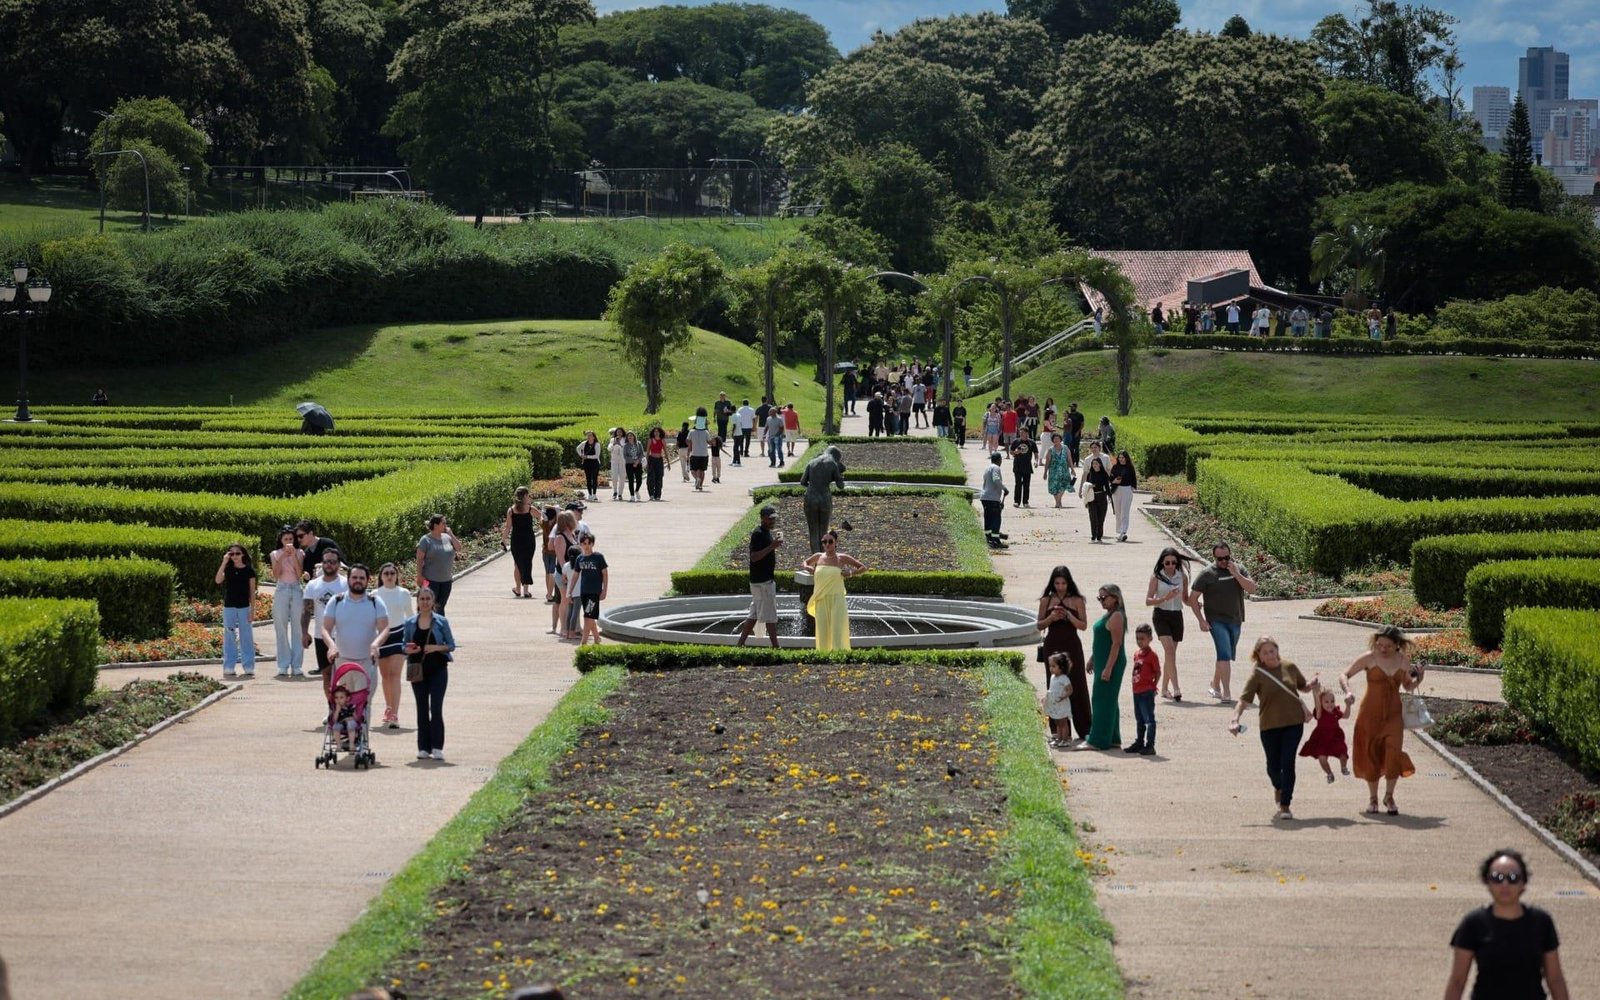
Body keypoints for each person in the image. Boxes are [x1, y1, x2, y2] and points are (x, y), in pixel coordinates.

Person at [1445, 849, 1570, 1000]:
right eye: (1497, 878)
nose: (1505, 884)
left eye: (1513, 878)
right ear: (1487, 882)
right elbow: (1457, 982)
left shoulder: (1541, 922)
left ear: (1523, 883)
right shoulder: (1473, 924)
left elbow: (1555, 980)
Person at [1228, 636, 1315, 820]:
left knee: (1288, 762)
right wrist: (1234, 719)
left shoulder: (1289, 667)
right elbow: (1244, 700)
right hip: (1269, 725)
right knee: (1273, 767)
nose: (1270, 655)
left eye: (1272, 650)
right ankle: (1278, 786)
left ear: (1277, 650)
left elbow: (1303, 687)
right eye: (1265, 652)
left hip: (1293, 723)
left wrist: (1312, 685)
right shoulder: (1258, 674)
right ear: (1259, 655)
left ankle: (1285, 804)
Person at [1343, 624, 1422, 815]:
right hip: (1369, 713)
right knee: (1371, 753)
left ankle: (1389, 796)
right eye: (1380, 645)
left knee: (1393, 753)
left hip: (1393, 714)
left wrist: (1419, 679)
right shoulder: (1369, 658)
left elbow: (1408, 687)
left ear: (1397, 645)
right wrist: (1347, 691)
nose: (1383, 649)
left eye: (1387, 646)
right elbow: (1344, 674)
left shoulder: (1404, 661)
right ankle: (1373, 799)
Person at [1191, 542, 1257, 702]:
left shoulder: (1238, 569)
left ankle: (1214, 684)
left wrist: (1236, 574)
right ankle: (1226, 693)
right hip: (1216, 620)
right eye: (1220, 559)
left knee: (1225, 654)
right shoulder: (1207, 574)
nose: (1223, 561)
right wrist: (1201, 620)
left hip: (1235, 619)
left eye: (1226, 558)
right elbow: (1193, 598)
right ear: (1214, 557)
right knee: (1224, 655)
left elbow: (1252, 589)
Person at [322, 563, 388, 711]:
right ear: (348, 580)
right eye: (354, 577)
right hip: (342, 662)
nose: (358, 580)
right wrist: (331, 646)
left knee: (363, 704)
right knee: (341, 703)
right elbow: (325, 628)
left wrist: (376, 644)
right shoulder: (336, 601)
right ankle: (342, 733)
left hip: (366, 662)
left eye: (361, 578)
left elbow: (385, 629)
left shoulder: (375, 602)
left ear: (367, 580)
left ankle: (362, 734)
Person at [1037, 566, 1090, 745]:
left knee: (1078, 684)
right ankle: (1058, 731)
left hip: (1072, 645)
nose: (1060, 587)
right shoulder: (1046, 600)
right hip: (1052, 645)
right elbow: (1039, 625)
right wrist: (1051, 618)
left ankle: (1084, 728)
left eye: (1063, 583)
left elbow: (1083, 625)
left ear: (1069, 583)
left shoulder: (1077, 600)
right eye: (1057, 583)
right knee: (1054, 686)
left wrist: (1068, 616)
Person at [403, 586, 455, 761]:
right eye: (422, 599)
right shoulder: (410, 623)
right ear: (417, 602)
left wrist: (435, 647)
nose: (425, 602)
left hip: (438, 669)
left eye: (427, 599)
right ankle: (423, 747)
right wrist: (410, 650)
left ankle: (437, 746)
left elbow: (451, 645)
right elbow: (404, 645)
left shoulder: (441, 622)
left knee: (436, 708)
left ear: (433, 602)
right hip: (418, 670)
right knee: (422, 709)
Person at [802, 529, 867, 651]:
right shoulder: (818, 556)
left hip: (837, 599)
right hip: (821, 599)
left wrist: (850, 573)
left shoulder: (842, 558)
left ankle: (839, 655)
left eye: (830, 541)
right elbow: (805, 562)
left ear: (836, 542)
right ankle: (823, 655)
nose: (827, 544)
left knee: (837, 629)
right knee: (822, 629)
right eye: (824, 541)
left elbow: (863, 567)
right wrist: (808, 568)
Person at [1083, 584, 1128, 750]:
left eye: (1104, 597)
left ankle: (1098, 740)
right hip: (1102, 660)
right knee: (1109, 700)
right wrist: (1093, 658)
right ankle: (1113, 737)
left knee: (1101, 699)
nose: (1101, 601)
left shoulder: (1116, 616)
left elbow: (1116, 644)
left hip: (1112, 662)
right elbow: (1103, 641)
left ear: (1115, 598)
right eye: (1099, 598)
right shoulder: (1109, 614)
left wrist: (1108, 668)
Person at [1145, 549, 1193, 701]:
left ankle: (1165, 688)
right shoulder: (1157, 577)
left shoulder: (1182, 577)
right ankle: (1177, 688)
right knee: (1170, 651)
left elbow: (1185, 598)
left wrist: (1195, 603)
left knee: (1170, 655)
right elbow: (1148, 600)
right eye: (1167, 563)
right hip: (1161, 615)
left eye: (1174, 562)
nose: (1170, 566)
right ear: (1162, 563)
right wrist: (1165, 598)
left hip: (1177, 615)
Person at [372, 562, 413, 730]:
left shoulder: (404, 593)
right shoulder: (374, 594)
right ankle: (388, 707)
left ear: (397, 576)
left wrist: (413, 639)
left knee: (395, 674)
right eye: (386, 573)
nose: (389, 576)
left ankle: (395, 714)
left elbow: (410, 617)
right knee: (386, 675)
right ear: (381, 576)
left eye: (392, 573)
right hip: (381, 637)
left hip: (399, 635)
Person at [736, 505, 783, 648]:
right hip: (763, 582)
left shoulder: (765, 532)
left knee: (754, 614)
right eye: (770, 519)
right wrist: (772, 546)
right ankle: (776, 647)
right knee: (770, 615)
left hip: (759, 580)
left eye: (774, 518)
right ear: (762, 518)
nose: (772, 521)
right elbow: (754, 557)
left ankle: (740, 644)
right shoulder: (758, 533)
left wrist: (772, 544)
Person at [302, 549, 347, 687]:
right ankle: (332, 706)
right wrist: (304, 633)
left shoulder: (346, 584)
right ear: (322, 564)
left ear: (339, 565)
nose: (329, 565)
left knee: (343, 674)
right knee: (326, 674)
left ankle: (344, 706)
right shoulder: (312, 585)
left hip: (343, 636)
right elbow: (307, 611)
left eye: (333, 562)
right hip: (321, 636)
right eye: (326, 562)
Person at [215, 543, 257, 679]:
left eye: (237, 553)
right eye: (231, 554)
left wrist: (253, 610)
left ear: (243, 554)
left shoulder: (249, 571)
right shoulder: (227, 569)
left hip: (244, 607)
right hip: (229, 607)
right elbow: (218, 580)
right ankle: (229, 665)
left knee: (246, 636)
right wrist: (224, 561)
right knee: (229, 636)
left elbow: (252, 592)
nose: (234, 556)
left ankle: (249, 665)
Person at [269, 528, 305, 677]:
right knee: (281, 627)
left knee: (298, 628)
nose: (289, 542)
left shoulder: (300, 553)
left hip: (296, 589)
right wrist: (283, 556)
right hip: (282, 589)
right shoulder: (275, 554)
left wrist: (294, 556)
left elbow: (299, 574)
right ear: (281, 541)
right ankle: (283, 664)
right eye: (286, 539)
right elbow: (275, 575)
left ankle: (297, 665)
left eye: (291, 539)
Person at [1300, 687, 1355, 782]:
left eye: (1332, 701)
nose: (1330, 704)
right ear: (1321, 703)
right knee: (1322, 757)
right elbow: (1317, 707)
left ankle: (1344, 767)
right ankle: (1329, 773)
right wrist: (1315, 692)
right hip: (1322, 738)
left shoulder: (1335, 711)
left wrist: (1348, 705)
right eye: (1326, 702)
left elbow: (1346, 716)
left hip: (1335, 737)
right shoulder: (1320, 712)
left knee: (1343, 753)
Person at [800, 445, 846, 556]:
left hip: (811, 497)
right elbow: (841, 486)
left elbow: (802, 482)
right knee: (823, 530)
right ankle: (823, 558)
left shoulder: (812, 462)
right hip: (824, 497)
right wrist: (839, 477)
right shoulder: (833, 464)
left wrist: (814, 487)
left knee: (813, 530)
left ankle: (815, 559)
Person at [415, 514, 462, 612]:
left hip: (446, 580)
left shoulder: (447, 538)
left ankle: (438, 625)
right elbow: (419, 559)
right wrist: (419, 576)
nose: (446, 525)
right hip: (430, 580)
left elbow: (458, 548)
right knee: (430, 607)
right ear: (436, 525)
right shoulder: (425, 540)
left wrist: (451, 534)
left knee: (441, 606)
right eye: (443, 523)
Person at [1125, 624, 1159, 755]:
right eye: (1137, 638)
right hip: (1137, 691)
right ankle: (1139, 742)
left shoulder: (1152, 656)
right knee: (1139, 719)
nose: (1140, 641)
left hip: (1146, 691)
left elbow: (1157, 672)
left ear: (1150, 638)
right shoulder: (1137, 654)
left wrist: (1154, 685)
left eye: (1142, 638)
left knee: (1149, 720)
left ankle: (1150, 745)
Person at [574, 532, 608, 645]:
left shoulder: (598, 557)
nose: (587, 546)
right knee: (589, 616)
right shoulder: (579, 558)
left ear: (593, 544)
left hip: (594, 591)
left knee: (587, 616)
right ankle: (597, 638)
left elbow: (605, 574)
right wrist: (569, 591)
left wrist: (604, 590)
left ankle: (583, 642)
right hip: (584, 591)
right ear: (581, 544)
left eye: (589, 543)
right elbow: (575, 575)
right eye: (584, 543)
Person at [502, 486, 537, 598]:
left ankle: (518, 588)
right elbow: (542, 517)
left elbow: (508, 527)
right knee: (527, 562)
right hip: (528, 539)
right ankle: (526, 590)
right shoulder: (530, 509)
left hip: (516, 540)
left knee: (517, 564)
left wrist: (503, 540)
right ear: (525, 496)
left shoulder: (511, 510)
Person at [547, 511, 578, 637]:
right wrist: (568, 575)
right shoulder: (560, 538)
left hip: (573, 574)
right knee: (565, 600)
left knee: (571, 601)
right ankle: (563, 628)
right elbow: (561, 560)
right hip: (563, 575)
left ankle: (573, 627)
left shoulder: (572, 535)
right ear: (569, 522)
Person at [1078, 451, 1112, 543]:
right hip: (1092, 497)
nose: (1094, 465)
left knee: (1101, 518)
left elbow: (1107, 486)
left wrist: (1110, 496)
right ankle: (1093, 535)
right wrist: (1087, 487)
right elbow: (1086, 484)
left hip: (1102, 496)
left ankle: (1099, 536)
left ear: (1100, 465)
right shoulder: (1090, 474)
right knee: (1093, 517)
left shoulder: (1104, 474)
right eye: (1093, 464)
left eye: (1096, 464)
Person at [1043, 655, 1075, 749]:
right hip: (1054, 703)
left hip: (1062, 703)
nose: (1051, 668)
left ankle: (1065, 740)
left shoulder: (1064, 678)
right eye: (1050, 666)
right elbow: (1051, 689)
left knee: (1063, 722)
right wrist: (1046, 697)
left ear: (1061, 667)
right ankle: (1059, 738)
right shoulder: (1053, 677)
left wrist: (1063, 696)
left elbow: (1070, 690)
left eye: (1054, 666)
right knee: (1057, 721)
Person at [980, 451, 1009, 549]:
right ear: (999, 460)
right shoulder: (996, 468)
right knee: (996, 519)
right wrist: (1004, 488)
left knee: (988, 519)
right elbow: (996, 480)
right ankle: (996, 540)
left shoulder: (987, 468)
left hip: (985, 497)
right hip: (992, 498)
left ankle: (988, 539)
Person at [1108, 450, 1137, 541]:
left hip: (1127, 489)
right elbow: (1110, 479)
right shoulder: (1115, 467)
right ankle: (1119, 530)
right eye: (1120, 458)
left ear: (1126, 458)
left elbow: (1134, 480)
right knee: (1118, 511)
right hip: (1117, 490)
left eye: (1123, 458)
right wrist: (1114, 481)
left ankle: (1123, 531)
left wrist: (1131, 489)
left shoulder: (1130, 468)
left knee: (1125, 511)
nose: (1121, 460)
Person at [1009, 427, 1037, 509]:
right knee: (1018, 484)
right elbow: (1011, 451)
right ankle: (1017, 501)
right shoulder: (1016, 441)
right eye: (1020, 433)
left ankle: (1025, 502)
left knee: (1026, 485)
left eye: (1022, 433)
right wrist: (1015, 452)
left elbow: (1035, 452)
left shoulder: (1031, 442)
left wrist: (1036, 461)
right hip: (1017, 466)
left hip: (1027, 467)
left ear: (1027, 433)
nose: (1020, 434)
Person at [1043, 432, 1073, 507]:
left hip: (1064, 470)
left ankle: (1058, 500)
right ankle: (1058, 502)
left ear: (1060, 440)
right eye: (1054, 439)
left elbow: (1069, 459)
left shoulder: (1065, 448)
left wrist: (1072, 469)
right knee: (1054, 486)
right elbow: (1047, 462)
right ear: (1052, 440)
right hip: (1053, 471)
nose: (1056, 440)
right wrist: (1045, 472)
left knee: (1064, 485)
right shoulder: (1050, 450)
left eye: (1058, 439)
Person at [328, 686, 360, 751]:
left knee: (351, 724)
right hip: (341, 723)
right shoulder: (335, 708)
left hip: (351, 724)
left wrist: (351, 718)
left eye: (341, 697)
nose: (338, 700)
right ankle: (339, 745)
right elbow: (334, 720)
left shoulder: (350, 707)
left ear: (347, 698)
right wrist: (337, 711)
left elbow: (357, 719)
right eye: (336, 698)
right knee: (335, 726)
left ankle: (351, 744)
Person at [539, 505, 560, 600]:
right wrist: (556, 509)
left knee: (547, 572)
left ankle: (548, 593)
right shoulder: (557, 525)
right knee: (552, 572)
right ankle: (550, 594)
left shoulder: (543, 523)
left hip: (545, 551)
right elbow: (559, 509)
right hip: (555, 552)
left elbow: (543, 508)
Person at [575, 430, 603, 501]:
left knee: (594, 478)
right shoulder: (584, 443)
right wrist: (581, 455)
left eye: (590, 435)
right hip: (586, 463)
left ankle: (594, 494)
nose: (589, 437)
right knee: (588, 479)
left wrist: (587, 457)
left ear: (594, 437)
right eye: (588, 435)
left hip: (595, 463)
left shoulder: (597, 444)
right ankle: (590, 494)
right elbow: (577, 448)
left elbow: (596, 456)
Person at [688, 409, 711, 490]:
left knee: (694, 470)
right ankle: (700, 485)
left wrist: (690, 448)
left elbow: (688, 441)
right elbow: (709, 442)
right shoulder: (706, 432)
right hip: (704, 453)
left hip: (695, 453)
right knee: (702, 470)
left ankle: (697, 479)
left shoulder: (691, 432)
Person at [645, 426, 668, 501]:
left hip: (659, 460)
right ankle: (651, 494)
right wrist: (646, 462)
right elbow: (648, 452)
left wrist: (668, 462)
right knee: (651, 478)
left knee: (659, 478)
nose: (656, 433)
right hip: (652, 460)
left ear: (660, 432)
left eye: (657, 431)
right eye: (655, 431)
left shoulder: (662, 440)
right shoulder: (650, 440)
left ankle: (657, 495)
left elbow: (665, 451)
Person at [608, 428, 627, 501]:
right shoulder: (613, 440)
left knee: (622, 478)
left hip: (623, 461)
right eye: (618, 432)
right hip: (614, 461)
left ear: (622, 433)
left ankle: (620, 494)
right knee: (614, 477)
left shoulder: (625, 440)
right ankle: (615, 491)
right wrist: (614, 444)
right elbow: (609, 449)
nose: (619, 433)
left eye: (620, 432)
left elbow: (625, 449)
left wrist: (620, 444)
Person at [733, 398, 755, 465]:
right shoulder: (752, 409)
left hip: (742, 426)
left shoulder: (739, 409)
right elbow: (753, 419)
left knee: (741, 440)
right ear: (748, 403)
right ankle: (746, 452)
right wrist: (754, 426)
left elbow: (738, 418)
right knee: (748, 440)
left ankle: (741, 451)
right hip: (749, 426)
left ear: (743, 403)